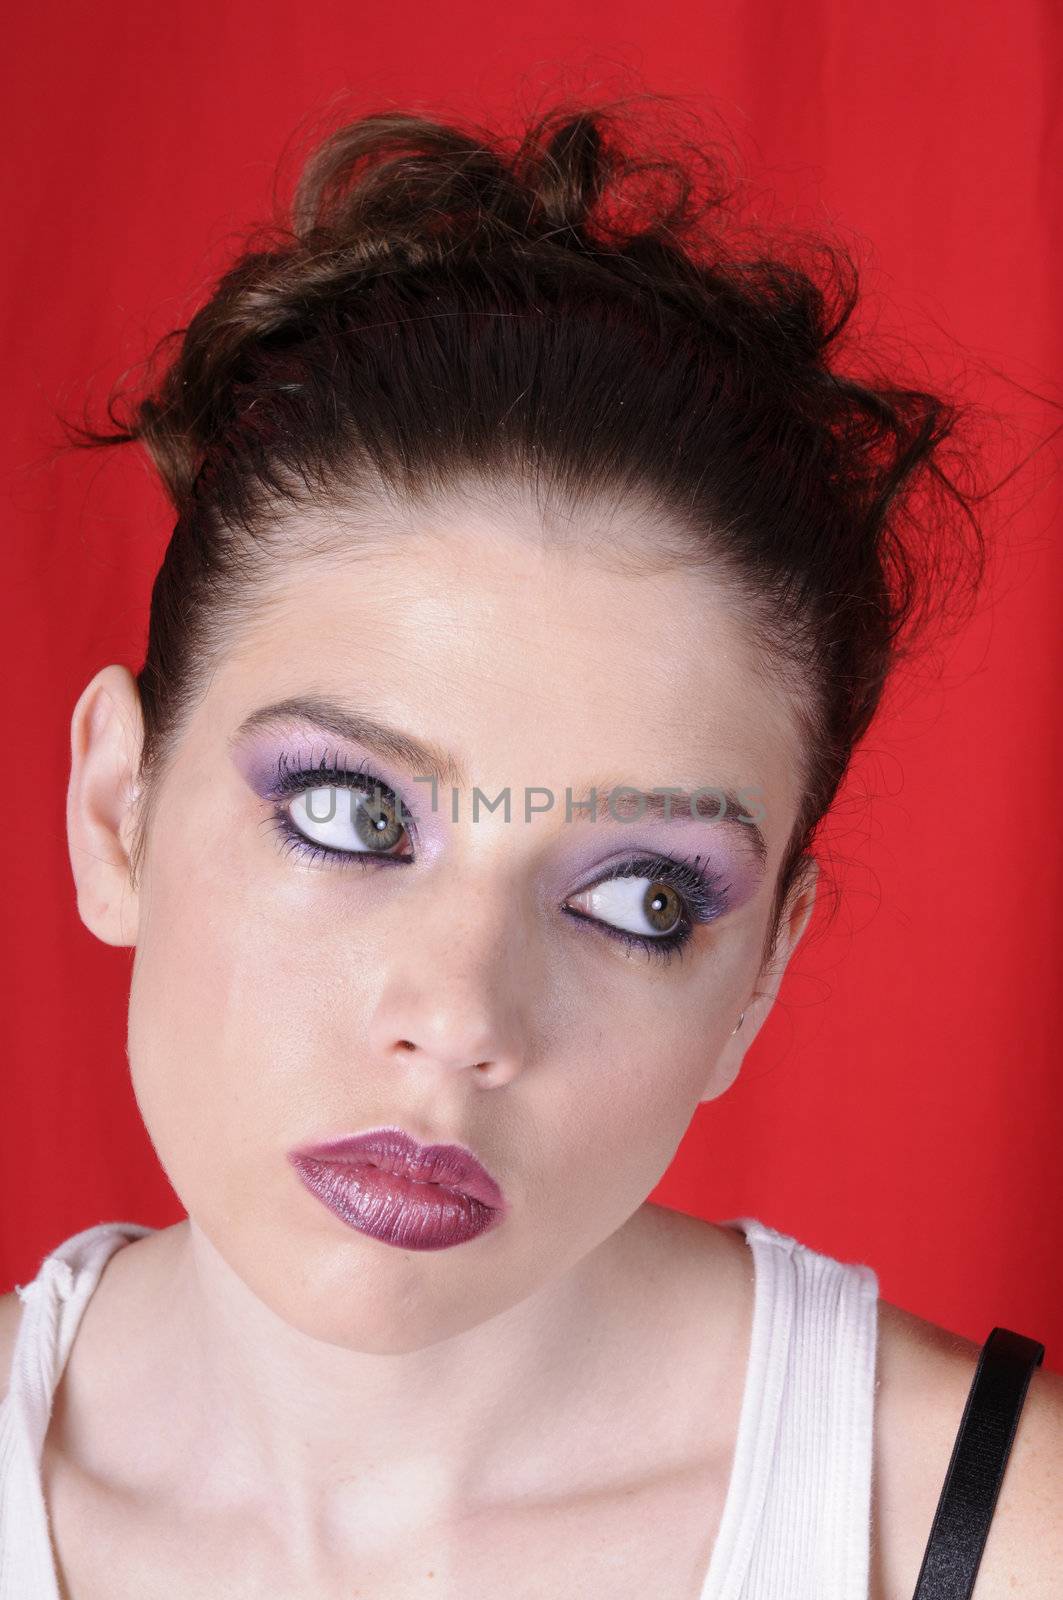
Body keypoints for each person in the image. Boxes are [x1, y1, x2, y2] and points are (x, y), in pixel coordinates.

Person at [1, 96, 1060, 1599]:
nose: (461, 1017)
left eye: (640, 896)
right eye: (353, 817)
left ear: (760, 974)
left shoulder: (997, 1534)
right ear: (118, 812)